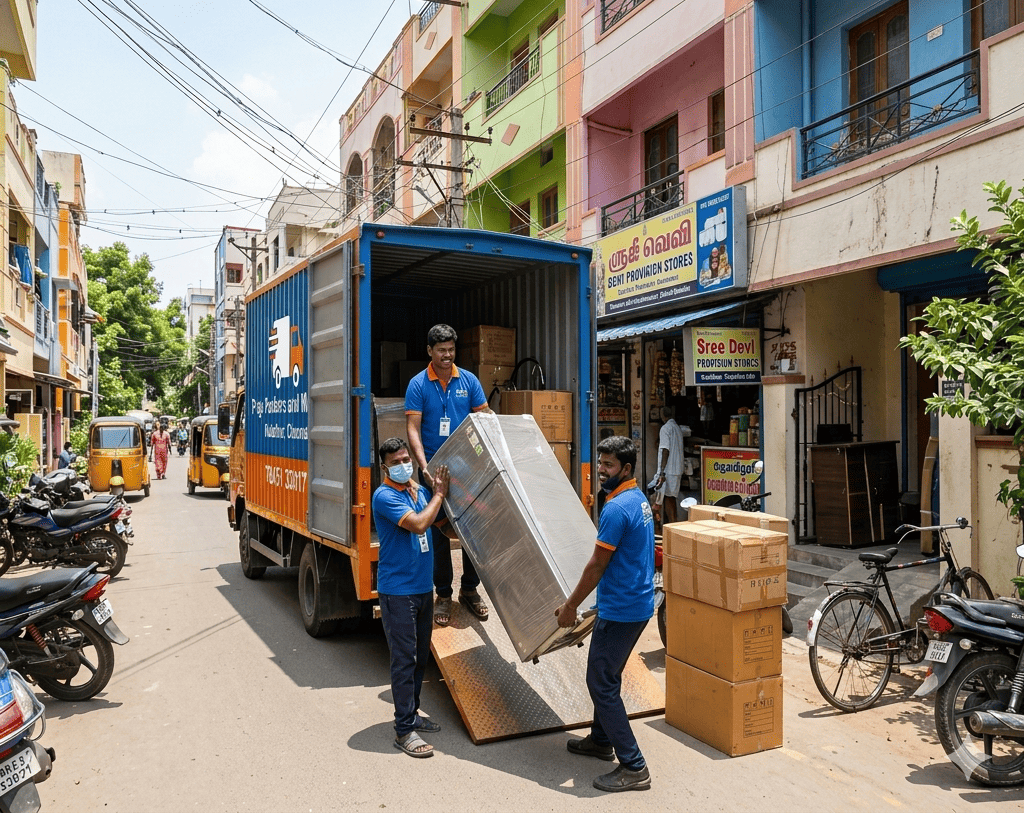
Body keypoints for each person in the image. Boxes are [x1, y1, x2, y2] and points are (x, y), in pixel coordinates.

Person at [556, 435, 654, 793]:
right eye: (599, 462)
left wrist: (570, 606)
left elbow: (597, 565)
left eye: (608, 465)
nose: (600, 470)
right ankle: (600, 740)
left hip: (622, 609)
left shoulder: (616, 509)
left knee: (600, 682)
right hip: (636, 603)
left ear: (625, 469)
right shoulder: (637, 498)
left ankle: (634, 765)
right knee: (607, 675)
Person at [405, 324, 491, 627]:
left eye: (451, 349)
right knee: (439, 533)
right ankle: (443, 594)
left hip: (467, 469)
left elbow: (484, 417)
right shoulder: (418, 385)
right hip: (434, 470)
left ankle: (470, 589)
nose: (447, 355)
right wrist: (424, 467)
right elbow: (413, 428)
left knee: (472, 531)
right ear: (430, 351)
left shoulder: (468, 380)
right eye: (441, 350)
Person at [371, 437, 450, 758]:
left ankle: (413, 713)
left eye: (406, 460)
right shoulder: (385, 496)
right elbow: (418, 525)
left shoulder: (418, 492)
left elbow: (438, 523)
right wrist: (439, 494)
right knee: (404, 660)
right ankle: (404, 729)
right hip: (398, 591)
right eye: (396, 462)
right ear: (384, 467)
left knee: (419, 658)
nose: (404, 465)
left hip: (422, 588)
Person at [653, 406, 685, 525]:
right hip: (677, 468)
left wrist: (662, 471)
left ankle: (672, 524)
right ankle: (672, 524)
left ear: (662, 415)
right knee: (669, 498)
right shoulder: (677, 428)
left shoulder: (665, 428)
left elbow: (665, 450)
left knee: (667, 498)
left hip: (669, 470)